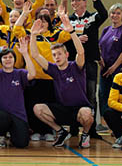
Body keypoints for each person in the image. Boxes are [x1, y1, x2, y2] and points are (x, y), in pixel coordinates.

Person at [29, 19, 94, 148]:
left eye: (59, 54)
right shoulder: (53, 69)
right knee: (38, 108)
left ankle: (85, 134)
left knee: (87, 114)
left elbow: (81, 52)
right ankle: (61, 131)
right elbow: (35, 55)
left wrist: (72, 31)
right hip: (62, 109)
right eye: (54, 55)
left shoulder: (76, 67)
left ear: (66, 54)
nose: (57, 57)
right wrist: (33, 35)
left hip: (80, 109)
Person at [65, 0, 108, 123]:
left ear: (84, 2)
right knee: (73, 95)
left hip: (90, 63)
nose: (74, 3)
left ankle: (91, 127)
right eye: (72, 0)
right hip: (73, 64)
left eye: (77, 0)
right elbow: (63, 42)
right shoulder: (68, 20)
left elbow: (104, 14)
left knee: (91, 95)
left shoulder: (92, 18)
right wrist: (76, 39)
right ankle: (73, 127)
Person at [0, 36, 36, 148]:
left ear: (14, 59)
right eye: (4, 57)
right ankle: (2, 135)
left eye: (10, 57)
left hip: (18, 115)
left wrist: (25, 53)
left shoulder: (20, 73)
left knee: (22, 144)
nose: (7, 59)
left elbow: (32, 74)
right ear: (1, 60)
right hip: (0, 114)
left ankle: (12, 134)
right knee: (1, 117)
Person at [97, 3, 122, 131]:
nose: (114, 15)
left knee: (119, 99)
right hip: (104, 70)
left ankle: (121, 126)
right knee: (104, 96)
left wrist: (114, 67)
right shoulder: (106, 29)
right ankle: (110, 124)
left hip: (117, 71)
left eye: (118, 13)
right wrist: (100, 59)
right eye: (112, 13)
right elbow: (99, 47)